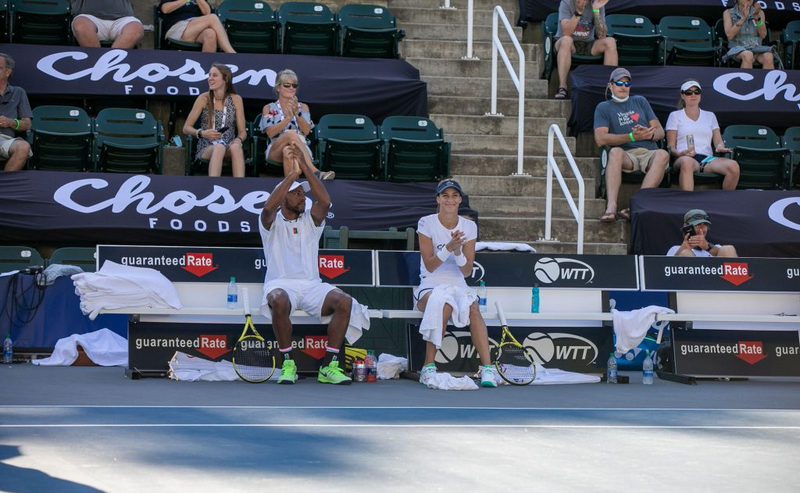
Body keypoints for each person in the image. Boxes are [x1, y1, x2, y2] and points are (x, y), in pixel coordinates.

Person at [259, 150, 370, 385]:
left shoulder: (312, 220)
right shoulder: (271, 221)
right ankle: (288, 364)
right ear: (284, 197)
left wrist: (305, 167)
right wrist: (292, 175)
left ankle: (329, 366)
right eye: (297, 194)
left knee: (345, 301)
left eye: (303, 194)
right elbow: (268, 208)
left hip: (311, 286)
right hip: (281, 284)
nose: (303, 198)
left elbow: (325, 201)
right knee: (278, 299)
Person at [415, 179, 497, 388]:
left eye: (454, 196)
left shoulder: (469, 226)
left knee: (474, 308)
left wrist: (458, 251)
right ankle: (428, 367)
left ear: (460, 200)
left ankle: (487, 369)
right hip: (430, 284)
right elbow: (430, 266)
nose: (450, 200)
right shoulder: (425, 223)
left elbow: (466, 271)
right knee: (443, 303)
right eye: (445, 196)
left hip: (458, 285)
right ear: (438, 199)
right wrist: (449, 248)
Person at [594, 67, 669, 223]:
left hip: (649, 152)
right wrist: (631, 137)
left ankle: (635, 205)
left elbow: (660, 131)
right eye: (619, 83)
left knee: (663, 154)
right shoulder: (603, 107)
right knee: (614, 152)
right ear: (610, 85)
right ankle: (611, 207)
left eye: (627, 84)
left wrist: (649, 134)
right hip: (627, 154)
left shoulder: (640, 101)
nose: (623, 86)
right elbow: (600, 139)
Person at [259, 69, 334, 180]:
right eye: (287, 85)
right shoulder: (269, 108)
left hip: (302, 147)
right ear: (278, 88)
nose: (291, 88)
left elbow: (307, 131)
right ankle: (315, 172)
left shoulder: (303, 107)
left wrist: (296, 114)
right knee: (290, 134)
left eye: (294, 85)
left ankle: (293, 187)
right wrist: (287, 119)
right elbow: (270, 133)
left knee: (288, 152)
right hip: (276, 147)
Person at [666, 80, 740, 191]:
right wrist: (680, 153)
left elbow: (718, 140)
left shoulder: (710, 116)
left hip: (706, 159)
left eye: (697, 92)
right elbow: (671, 146)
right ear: (682, 95)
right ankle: (687, 200)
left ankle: (724, 199)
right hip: (683, 157)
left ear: (700, 94)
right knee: (687, 162)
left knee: (733, 166)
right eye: (689, 92)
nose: (693, 95)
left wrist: (720, 146)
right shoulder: (675, 116)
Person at [182, 63, 247, 177]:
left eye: (214, 75)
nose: (210, 78)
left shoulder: (236, 99)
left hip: (228, 144)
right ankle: (213, 183)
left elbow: (243, 132)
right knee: (219, 147)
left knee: (236, 147)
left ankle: (240, 184)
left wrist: (238, 139)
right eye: (209, 75)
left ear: (225, 79)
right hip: (207, 147)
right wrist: (202, 133)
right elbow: (186, 128)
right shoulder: (203, 98)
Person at [553, 0, 617, 100]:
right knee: (566, 40)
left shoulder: (596, 4)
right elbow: (566, 32)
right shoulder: (566, 2)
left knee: (610, 42)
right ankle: (562, 87)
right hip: (567, 43)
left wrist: (596, 10)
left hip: (588, 43)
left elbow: (602, 35)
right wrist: (578, 12)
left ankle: (609, 88)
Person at [158, 0, 236, 53]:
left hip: (195, 29)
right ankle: (231, 54)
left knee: (210, 34)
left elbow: (207, 12)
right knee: (213, 18)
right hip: (177, 28)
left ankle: (206, 68)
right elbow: (165, 9)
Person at [0, 54, 32, 172]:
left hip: (5, 140)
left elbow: (27, 125)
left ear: (7, 72)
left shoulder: (18, 92)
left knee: (23, 147)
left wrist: (10, 122)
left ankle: (5, 182)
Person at [722, 0, 774, 69]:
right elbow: (729, 36)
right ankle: (745, 76)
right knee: (748, 55)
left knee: (768, 56)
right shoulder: (728, 13)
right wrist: (743, 19)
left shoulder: (759, 12)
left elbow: (763, 34)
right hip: (738, 48)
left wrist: (757, 18)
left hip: (756, 47)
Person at [71, 0, 144, 49]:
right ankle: (95, 60)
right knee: (81, 25)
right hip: (89, 17)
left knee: (136, 29)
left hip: (123, 18)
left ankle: (111, 61)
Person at [667, 209, 738, 257]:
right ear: (686, 227)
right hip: (690, 274)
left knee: (728, 249)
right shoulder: (675, 249)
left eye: (705, 225)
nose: (701, 229)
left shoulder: (717, 248)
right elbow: (667, 270)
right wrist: (684, 248)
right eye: (697, 225)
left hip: (717, 275)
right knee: (685, 253)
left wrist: (707, 246)